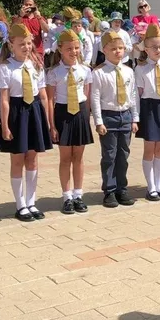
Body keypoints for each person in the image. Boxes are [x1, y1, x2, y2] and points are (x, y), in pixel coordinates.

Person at [0, 24, 53, 222]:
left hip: (35, 111)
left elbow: (44, 95)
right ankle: (20, 204)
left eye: (29, 43)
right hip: (17, 113)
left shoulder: (36, 65)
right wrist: (5, 125)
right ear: (11, 44)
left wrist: (46, 121)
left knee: (33, 158)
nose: (27, 47)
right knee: (18, 159)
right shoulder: (5, 68)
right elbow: (4, 99)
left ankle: (31, 201)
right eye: (21, 44)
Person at [46, 28, 93, 214]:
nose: (74, 52)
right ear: (60, 49)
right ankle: (66, 196)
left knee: (79, 157)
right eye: (69, 49)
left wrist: (88, 119)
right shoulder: (54, 73)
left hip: (80, 112)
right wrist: (52, 125)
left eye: (76, 48)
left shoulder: (85, 70)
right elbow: (50, 99)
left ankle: (78, 195)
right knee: (65, 158)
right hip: (63, 113)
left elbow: (87, 96)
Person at [91, 30, 139, 208]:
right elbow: (95, 98)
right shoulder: (99, 73)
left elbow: (133, 95)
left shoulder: (128, 71)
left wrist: (135, 118)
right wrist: (98, 121)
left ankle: (122, 188)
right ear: (104, 50)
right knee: (109, 155)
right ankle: (109, 190)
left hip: (125, 115)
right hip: (108, 116)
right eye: (113, 49)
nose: (118, 52)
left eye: (120, 48)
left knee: (123, 154)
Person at [134, 23, 160, 201]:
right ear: (146, 48)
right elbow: (138, 95)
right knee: (149, 147)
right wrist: (136, 117)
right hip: (149, 107)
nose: (158, 50)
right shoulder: (141, 68)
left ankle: (159, 185)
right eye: (154, 47)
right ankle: (150, 186)